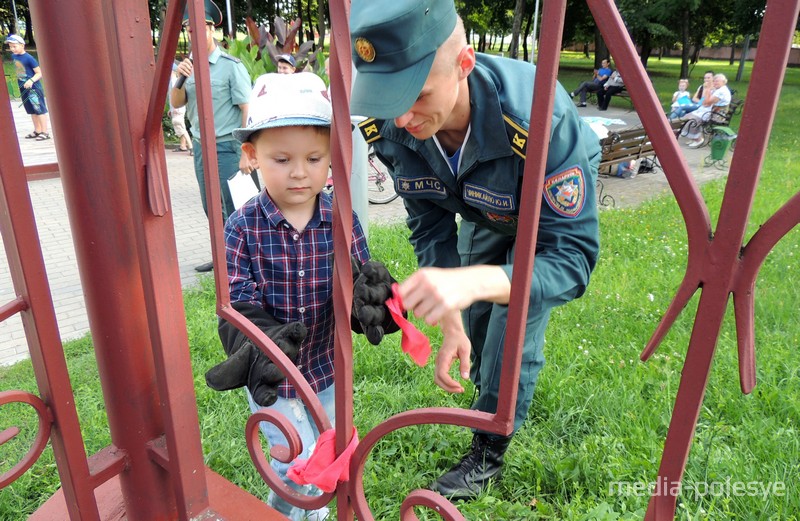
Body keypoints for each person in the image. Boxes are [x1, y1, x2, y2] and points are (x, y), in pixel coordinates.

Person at [351, 0, 601, 501]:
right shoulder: (395, 124)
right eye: (389, 96)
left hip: (540, 215)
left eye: (418, 95)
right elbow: (430, 225)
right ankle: (483, 362)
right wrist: (451, 317)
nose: (402, 115)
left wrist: (471, 282)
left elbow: (570, 257)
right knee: (478, 318)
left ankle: (489, 452)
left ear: (465, 64)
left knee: (510, 331)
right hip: (483, 205)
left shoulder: (539, 121)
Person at [205, 72, 400, 520]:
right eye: (282, 158)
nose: (299, 172)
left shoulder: (341, 218)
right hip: (272, 381)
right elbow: (236, 301)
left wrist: (376, 302)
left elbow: (359, 288)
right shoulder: (241, 228)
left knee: (326, 452)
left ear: (331, 158)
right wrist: (261, 343)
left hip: (326, 371)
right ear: (252, 156)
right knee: (295, 465)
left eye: (314, 158)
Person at [169, 0, 256, 272]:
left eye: (200, 28)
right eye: (189, 30)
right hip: (200, 148)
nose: (195, 34)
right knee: (212, 207)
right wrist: (179, 79)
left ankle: (252, 261)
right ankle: (224, 258)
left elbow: (248, 109)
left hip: (229, 148)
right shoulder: (188, 66)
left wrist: (247, 150)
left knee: (240, 208)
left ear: (211, 29)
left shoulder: (231, 66)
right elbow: (177, 102)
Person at [5, 34, 50, 140]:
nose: (12, 49)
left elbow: (39, 73)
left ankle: (45, 132)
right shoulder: (14, 56)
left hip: (33, 88)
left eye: (15, 46)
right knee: (31, 110)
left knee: (39, 109)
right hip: (23, 87)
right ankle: (37, 130)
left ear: (22, 45)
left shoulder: (29, 58)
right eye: (11, 47)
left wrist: (31, 80)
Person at [683, 73, 732, 148]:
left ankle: (698, 139)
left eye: (717, 81)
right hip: (712, 111)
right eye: (714, 81)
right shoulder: (719, 89)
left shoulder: (721, 91)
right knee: (687, 116)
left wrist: (707, 90)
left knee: (693, 119)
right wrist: (707, 90)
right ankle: (693, 137)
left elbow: (707, 103)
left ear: (723, 82)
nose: (715, 83)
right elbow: (704, 101)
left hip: (717, 115)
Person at [169, 59, 193, 154]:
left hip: (179, 108)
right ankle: (183, 146)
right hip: (176, 107)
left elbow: (179, 94)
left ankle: (191, 147)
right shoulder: (172, 80)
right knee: (179, 125)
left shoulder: (176, 79)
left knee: (179, 124)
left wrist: (175, 108)